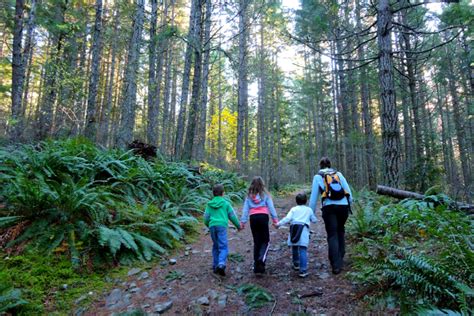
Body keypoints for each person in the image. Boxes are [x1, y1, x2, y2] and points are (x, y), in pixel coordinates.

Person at [309, 157, 352, 275]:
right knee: (340, 230)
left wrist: (310, 213)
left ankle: (336, 265)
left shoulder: (318, 177)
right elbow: (348, 191)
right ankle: (341, 257)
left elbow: (313, 198)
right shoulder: (338, 174)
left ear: (320, 166)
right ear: (330, 165)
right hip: (343, 206)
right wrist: (349, 205)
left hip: (329, 208)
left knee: (332, 234)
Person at [240, 176, 279, 274]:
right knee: (266, 241)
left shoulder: (249, 196)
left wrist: (243, 222)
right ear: (262, 184)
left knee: (257, 242)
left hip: (253, 218)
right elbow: (271, 207)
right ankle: (261, 259)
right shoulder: (265, 194)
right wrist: (275, 220)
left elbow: (245, 210)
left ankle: (257, 267)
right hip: (263, 217)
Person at [276, 192, 317, 278]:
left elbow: (287, 218)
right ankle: (303, 270)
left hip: (294, 229)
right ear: (306, 201)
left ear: (296, 201)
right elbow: (314, 220)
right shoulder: (309, 210)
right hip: (304, 230)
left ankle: (296, 264)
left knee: (294, 246)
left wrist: (278, 224)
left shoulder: (293, 209)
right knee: (303, 249)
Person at [204, 184, 241, 276]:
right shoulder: (226, 204)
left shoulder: (209, 204)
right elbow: (232, 216)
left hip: (212, 226)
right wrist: (238, 226)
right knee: (223, 246)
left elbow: (206, 218)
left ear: (213, 194)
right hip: (222, 226)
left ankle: (215, 265)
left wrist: (208, 225)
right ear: (223, 193)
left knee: (216, 246)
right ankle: (221, 264)